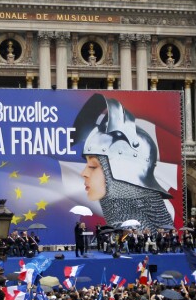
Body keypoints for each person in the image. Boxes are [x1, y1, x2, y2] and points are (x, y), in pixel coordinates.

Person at [74, 94, 175, 234]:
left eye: (93, 166)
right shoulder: (122, 222)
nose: (83, 173)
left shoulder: (138, 227)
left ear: (125, 171)